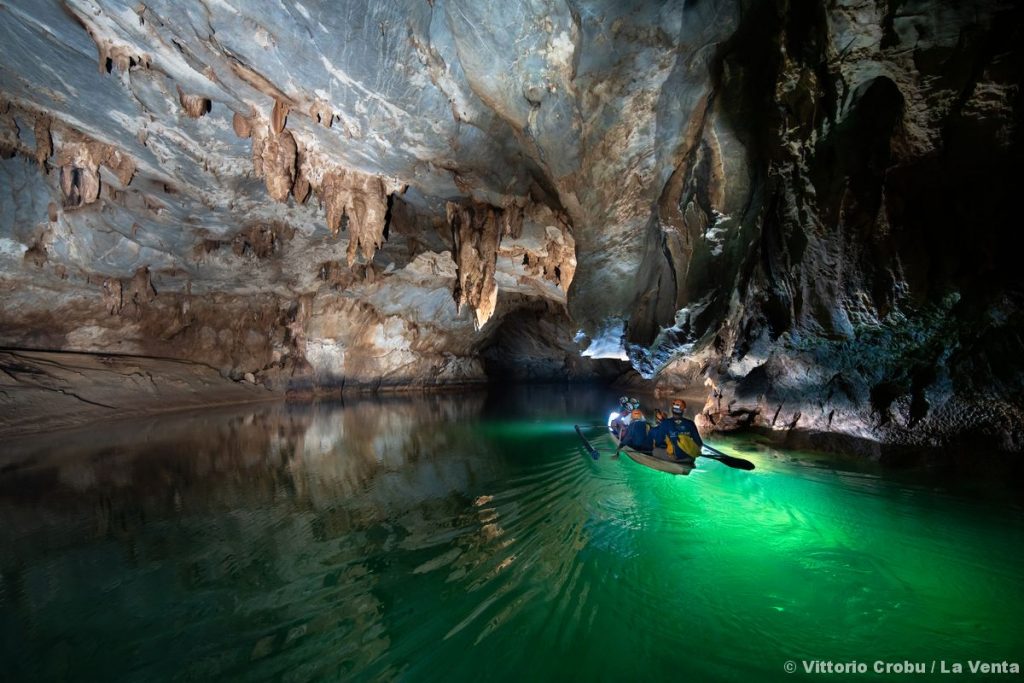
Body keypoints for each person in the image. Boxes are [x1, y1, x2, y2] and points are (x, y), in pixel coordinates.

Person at [650, 399, 703, 463]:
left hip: (675, 458)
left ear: (672, 409)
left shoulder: (665, 423)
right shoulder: (690, 423)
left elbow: (658, 442)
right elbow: (699, 443)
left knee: (655, 451)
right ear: (684, 410)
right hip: (690, 458)